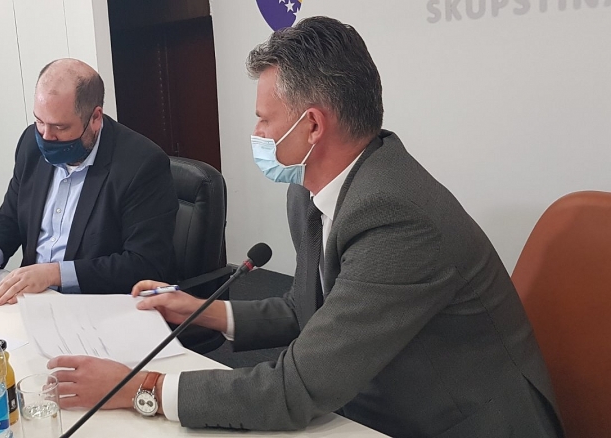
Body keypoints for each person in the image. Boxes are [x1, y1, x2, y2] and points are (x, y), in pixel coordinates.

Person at [47, 17, 563, 437]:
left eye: (264, 119)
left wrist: (141, 388)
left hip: (457, 422)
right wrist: (199, 310)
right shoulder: (314, 188)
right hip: (369, 397)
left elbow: (293, 391)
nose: (256, 132)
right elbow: (308, 308)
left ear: (312, 125)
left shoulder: (397, 219)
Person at [0, 58, 178, 305]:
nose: (46, 137)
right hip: (33, 301)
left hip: (96, 306)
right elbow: (11, 216)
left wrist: (55, 274)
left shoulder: (141, 164)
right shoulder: (30, 143)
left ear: (95, 118)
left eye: (60, 127)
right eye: (40, 121)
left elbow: (144, 264)